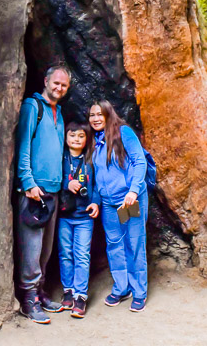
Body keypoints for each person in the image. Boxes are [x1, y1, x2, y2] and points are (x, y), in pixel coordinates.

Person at [15, 65, 71, 324]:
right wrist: (28, 182)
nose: (59, 88)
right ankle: (28, 298)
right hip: (35, 191)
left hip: (54, 192)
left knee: (46, 248)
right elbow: (23, 145)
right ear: (46, 80)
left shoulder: (59, 113)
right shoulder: (32, 107)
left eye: (64, 86)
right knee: (31, 246)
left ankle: (40, 291)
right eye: (56, 83)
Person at [87, 99, 149, 312]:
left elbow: (140, 161)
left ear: (108, 114)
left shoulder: (123, 133)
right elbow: (98, 176)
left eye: (99, 114)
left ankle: (139, 291)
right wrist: (95, 201)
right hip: (108, 204)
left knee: (134, 243)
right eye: (92, 115)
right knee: (114, 245)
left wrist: (133, 191)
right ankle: (122, 287)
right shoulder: (96, 140)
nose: (95, 119)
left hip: (128, 200)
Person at [57, 122, 99, 319]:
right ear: (65, 138)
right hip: (64, 216)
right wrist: (68, 182)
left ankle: (80, 295)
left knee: (82, 254)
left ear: (87, 138)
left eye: (81, 136)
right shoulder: (61, 158)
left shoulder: (90, 160)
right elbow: (54, 178)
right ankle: (68, 290)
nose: (76, 139)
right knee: (66, 253)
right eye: (72, 135)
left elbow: (98, 184)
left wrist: (96, 203)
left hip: (84, 217)